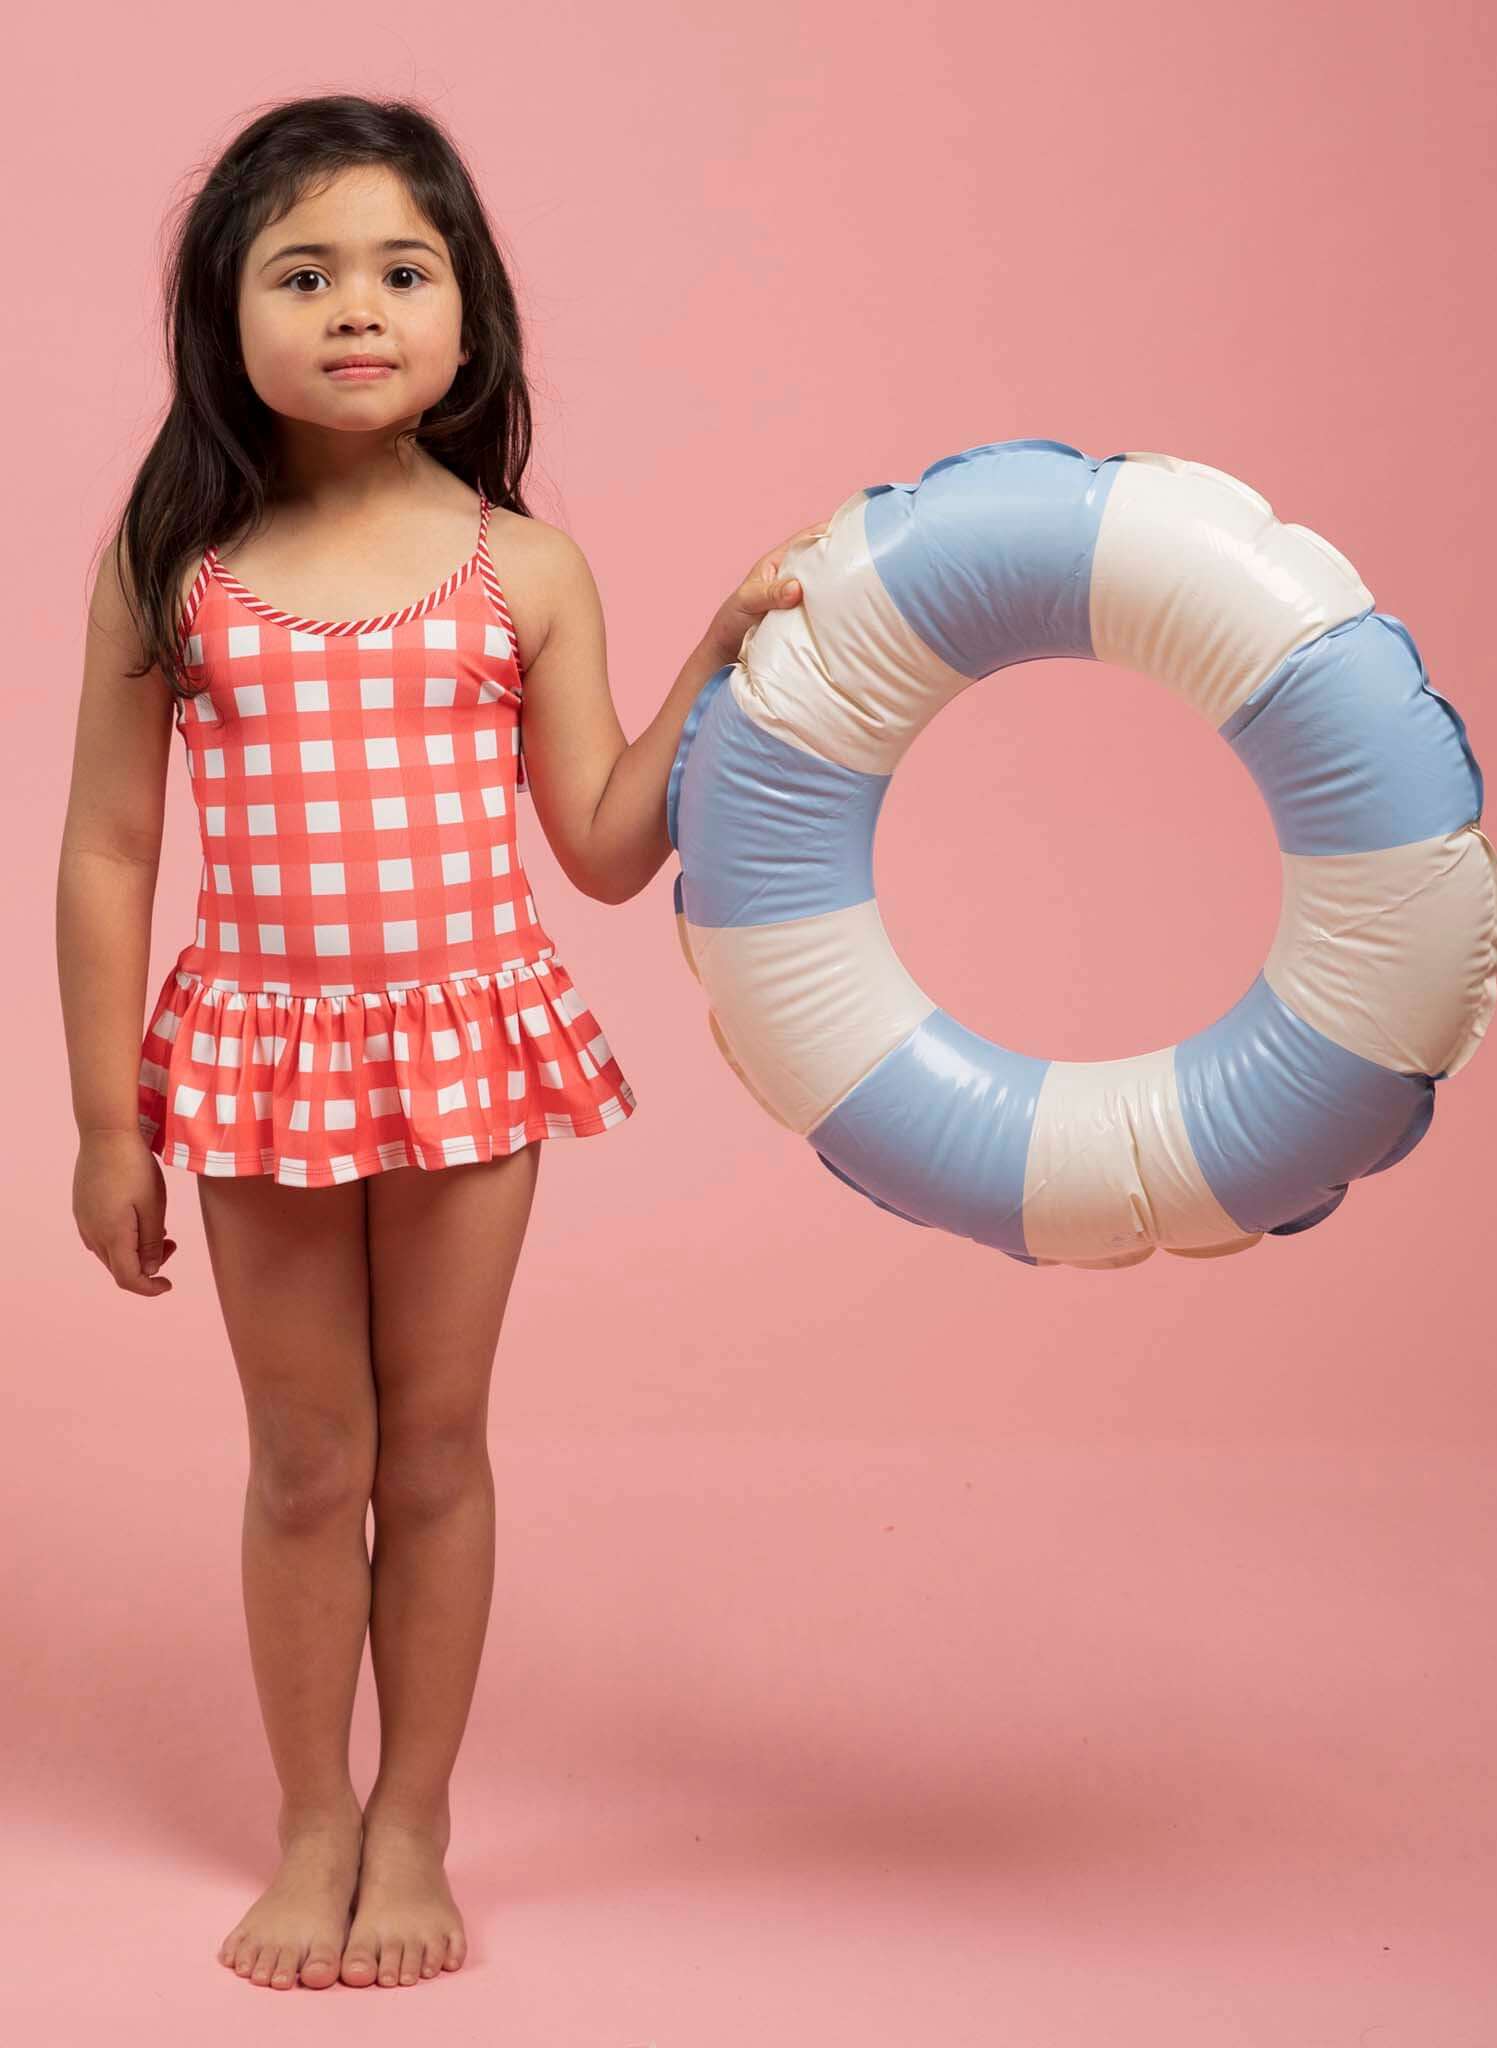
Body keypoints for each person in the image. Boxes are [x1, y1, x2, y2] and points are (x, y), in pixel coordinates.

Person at [56, 93, 817, 1995]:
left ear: (468, 313)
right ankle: (314, 1819)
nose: (357, 307)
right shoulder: (177, 561)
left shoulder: (523, 568)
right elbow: (107, 842)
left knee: (443, 1447)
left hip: (471, 1052)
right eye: (300, 273)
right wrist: (103, 1124)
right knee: (309, 1455)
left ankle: (417, 1822)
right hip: (255, 1057)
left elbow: (603, 844)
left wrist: (720, 657)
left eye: (405, 268)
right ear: (223, 321)